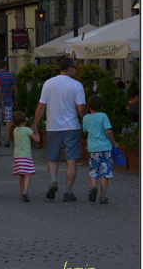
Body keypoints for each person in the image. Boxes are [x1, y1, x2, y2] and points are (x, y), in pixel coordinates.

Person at [31, 56, 87, 202]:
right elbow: (81, 108)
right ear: (69, 68)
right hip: (71, 127)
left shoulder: (48, 84)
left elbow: (41, 106)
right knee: (71, 160)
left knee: (53, 157)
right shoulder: (77, 85)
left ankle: (53, 181)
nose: (76, 69)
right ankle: (68, 191)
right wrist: (87, 122)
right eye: (74, 67)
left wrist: (35, 125)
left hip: (53, 126)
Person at [82, 94, 118, 204]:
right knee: (105, 172)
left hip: (93, 149)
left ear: (88, 106)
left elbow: (85, 130)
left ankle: (93, 187)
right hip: (105, 148)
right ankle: (102, 196)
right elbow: (108, 131)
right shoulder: (103, 116)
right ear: (100, 106)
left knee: (93, 170)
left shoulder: (86, 118)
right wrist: (114, 142)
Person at [12, 111, 40, 202]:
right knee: (27, 174)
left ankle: (21, 192)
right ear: (24, 121)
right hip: (26, 156)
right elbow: (37, 140)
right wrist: (36, 131)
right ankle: (25, 191)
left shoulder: (15, 130)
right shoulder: (27, 130)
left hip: (17, 156)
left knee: (21, 175)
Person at [0, 60, 18, 147]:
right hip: (8, 101)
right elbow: (15, 89)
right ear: (5, 66)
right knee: (8, 120)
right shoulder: (11, 76)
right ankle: (7, 140)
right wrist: (16, 100)